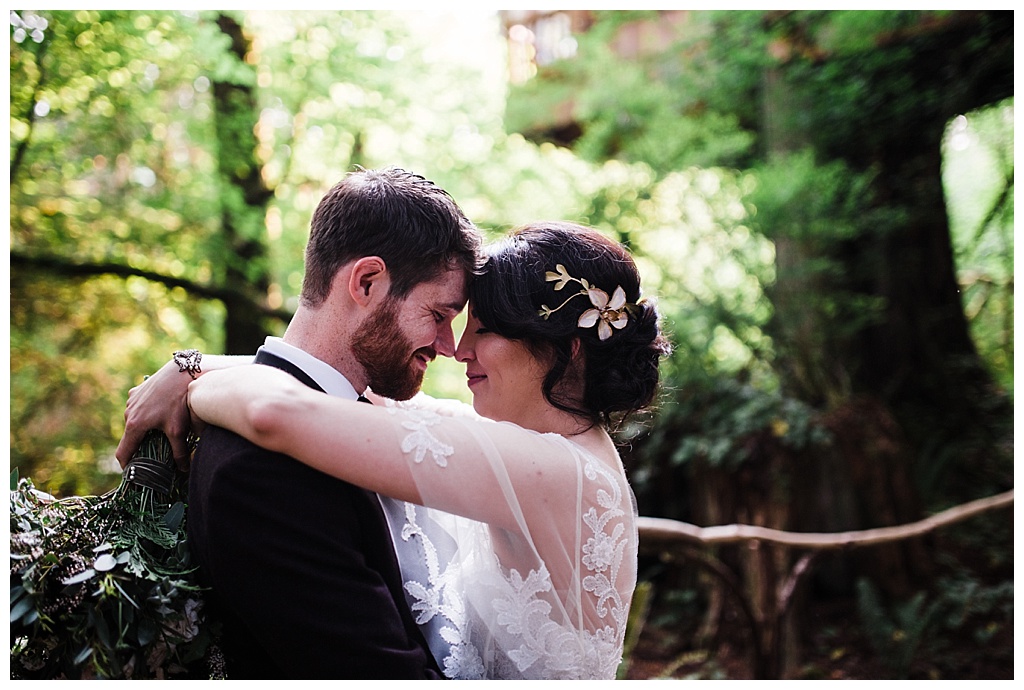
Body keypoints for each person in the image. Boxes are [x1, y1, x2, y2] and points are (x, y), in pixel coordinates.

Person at [127, 221, 671, 679]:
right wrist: (189, 365)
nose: (458, 350)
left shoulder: (553, 473)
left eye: (483, 330)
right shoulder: (553, 451)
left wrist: (190, 385)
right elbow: (350, 398)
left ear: (564, 350)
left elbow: (278, 414)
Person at [117, 166, 481, 679]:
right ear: (367, 281)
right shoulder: (262, 475)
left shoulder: (357, 413)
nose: (448, 347)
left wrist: (189, 365)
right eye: (439, 316)